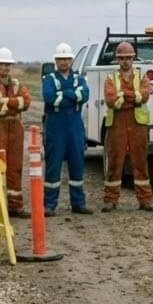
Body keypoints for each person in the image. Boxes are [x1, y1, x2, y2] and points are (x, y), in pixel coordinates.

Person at [101, 41, 153, 213]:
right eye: (122, 58)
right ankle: (110, 200)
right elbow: (111, 101)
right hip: (117, 123)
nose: (125, 61)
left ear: (133, 59)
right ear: (117, 60)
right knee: (114, 162)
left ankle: (145, 200)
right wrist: (134, 96)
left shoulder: (141, 76)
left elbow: (145, 96)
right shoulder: (111, 78)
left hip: (137, 123)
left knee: (140, 161)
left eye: (128, 58)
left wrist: (124, 96)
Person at [42, 43, 93, 216]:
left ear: (71, 60)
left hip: (75, 128)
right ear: (55, 61)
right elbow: (49, 98)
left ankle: (78, 203)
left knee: (77, 164)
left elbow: (85, 95)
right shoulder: (49, 79)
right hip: (55, 128)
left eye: (66, 59)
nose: (63, 62)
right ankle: (49, 204)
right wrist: (72, 95)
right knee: (53, 166)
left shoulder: (79, 78)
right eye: (60, 59)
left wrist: (62, 94)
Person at [0, 47, 32, 217]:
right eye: (2, 64)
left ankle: (14, 205)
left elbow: (26, 102)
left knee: (15, 167)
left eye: (8, 65)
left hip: (15, 129)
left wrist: (4, 103)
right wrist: (14, 104)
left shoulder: (17, 84)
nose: (5, 68)